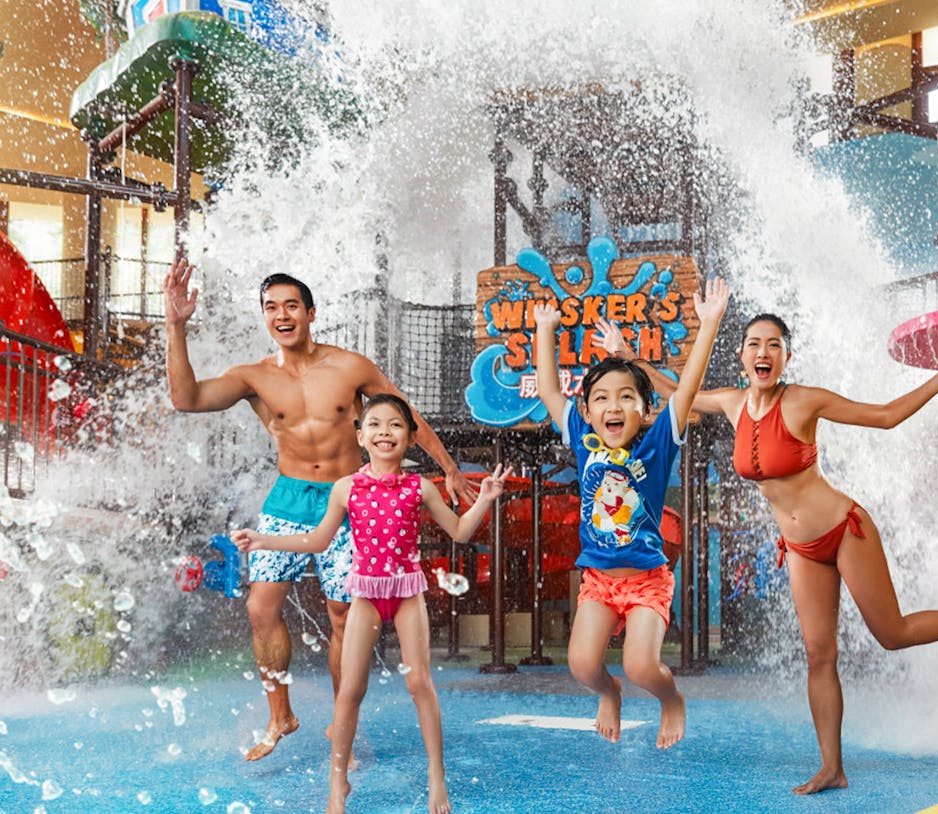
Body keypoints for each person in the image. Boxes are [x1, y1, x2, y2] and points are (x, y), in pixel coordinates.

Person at [596, 312, 938, 794]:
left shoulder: (802, 401)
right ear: (741, 355)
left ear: (786, 357)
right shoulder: (732, 404)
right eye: (754, 343)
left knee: (893, 634)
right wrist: (630, 358)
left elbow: (883, 417)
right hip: (800, 548)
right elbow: (676, 391)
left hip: (844, 531)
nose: (763, 353)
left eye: (774, 345)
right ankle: (832, 768)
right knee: (820, 655)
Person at [164, 259, 475, 761]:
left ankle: (340, 723)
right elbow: (187, 398)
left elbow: (405, 414)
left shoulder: (349, 367)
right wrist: (176, 326)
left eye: (291, 306)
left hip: (350, 498)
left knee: (342, 615)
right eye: (271, 308)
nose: (281, 315)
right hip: (289, 498)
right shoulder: (255, 377)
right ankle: (280, 714)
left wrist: (450, 468)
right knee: (260, 607)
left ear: (310, 312)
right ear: (265, 317)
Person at [233, 394, 508, 814]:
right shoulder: (346, 489)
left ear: (411, 438)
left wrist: (485, 500)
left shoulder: (420, 487)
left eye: (396, 425)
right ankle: (337, 785)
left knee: (420, 685)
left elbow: (459, 533)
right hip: (364, 596)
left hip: (406, 596)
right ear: (360, 436)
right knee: (350, 692)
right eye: (375, 425)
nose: (385, 432)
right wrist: (264, 540)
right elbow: (318, 541)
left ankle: (437, 778)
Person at [531, 277, 730, 749]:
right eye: (601, 397)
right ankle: (610, 692)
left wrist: (710, 325)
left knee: (643, 665)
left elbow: (686, 390)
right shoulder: (581, 436)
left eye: (626, 397)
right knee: (582, 665)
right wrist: (545, 329)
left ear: (645, 411)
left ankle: (671, 699)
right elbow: (545, 388)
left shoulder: (659, 442)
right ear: (586, 408)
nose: (613, 406)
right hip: (598, 580)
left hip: (646, 580)